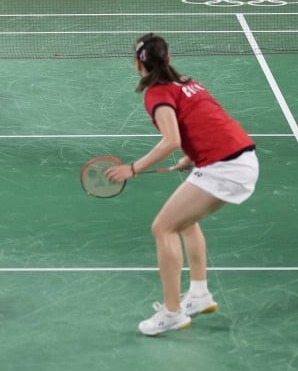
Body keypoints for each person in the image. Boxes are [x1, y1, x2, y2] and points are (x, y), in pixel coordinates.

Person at [105, 33, 258, 336]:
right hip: (238, 158)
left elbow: (171, 139)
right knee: (185, 222)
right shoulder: (188, 82)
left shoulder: (157, 93)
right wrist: (192, 154)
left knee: (163, 228)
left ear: (138, 63)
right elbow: (204, 120)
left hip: (225, 166)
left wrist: (132, 169)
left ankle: (172, 312)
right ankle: (199, 295)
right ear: (168, 58)